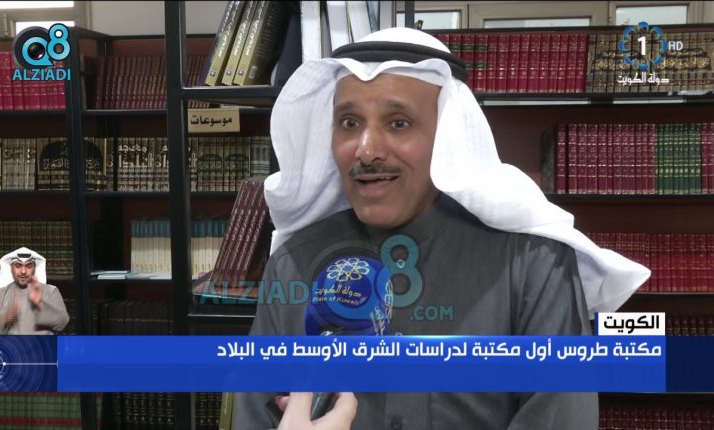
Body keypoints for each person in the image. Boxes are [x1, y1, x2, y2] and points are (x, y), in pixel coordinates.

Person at [234, 28, 650, 429]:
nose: (367, 150)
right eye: (349, 123)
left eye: (398, 123)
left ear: (448, 137)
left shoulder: (535, 264)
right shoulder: (292, 267)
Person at [0, 247, 69, 335]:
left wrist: (40, 303)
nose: (23, 271)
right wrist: (6, 317)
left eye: (29, 266)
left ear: (34, 268)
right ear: (11, 268)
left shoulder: (51, 291)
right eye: (18, 266)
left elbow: (62, 324)